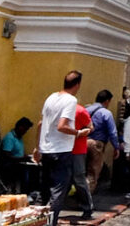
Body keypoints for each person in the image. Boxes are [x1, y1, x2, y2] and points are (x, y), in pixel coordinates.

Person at [36, 70, 91, 225]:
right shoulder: (71, 100)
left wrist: (37, 147)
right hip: (61, 150)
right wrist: (78, 133)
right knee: (58, 191)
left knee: (45, 190)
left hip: (46, 148)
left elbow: (41, 123)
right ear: (78, 85)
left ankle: (37, 221)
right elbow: (62, 126)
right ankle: (50, 222)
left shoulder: (51, 97)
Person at [85, 89, 120, 195]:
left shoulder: (86, 109)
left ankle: (76, 195)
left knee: (81, 171)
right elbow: (112, 132)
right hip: (97, 144)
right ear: (107, 101)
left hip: (82, 142)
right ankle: (86, 200)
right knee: (93, 173)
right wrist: (116, 147)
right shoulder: (106, 113)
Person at [70, 102, 96, 217]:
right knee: (63, 179)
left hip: (77, 150)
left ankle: (87, 207)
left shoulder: (80, 111)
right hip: (63, 149)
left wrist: (81, 133)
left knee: (79, 179)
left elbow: (91, 127)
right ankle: (53, 207)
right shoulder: (61, 109)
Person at [0, 117, 34, 192]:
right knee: (27, 172)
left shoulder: (19, 137)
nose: (25, 132)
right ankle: (24, 192)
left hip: (19, 163)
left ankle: (27, 192)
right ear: (20, 127)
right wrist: (22, 159)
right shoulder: (10, 138)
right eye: (25, 129)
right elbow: (6, 156)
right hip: (10, 165)